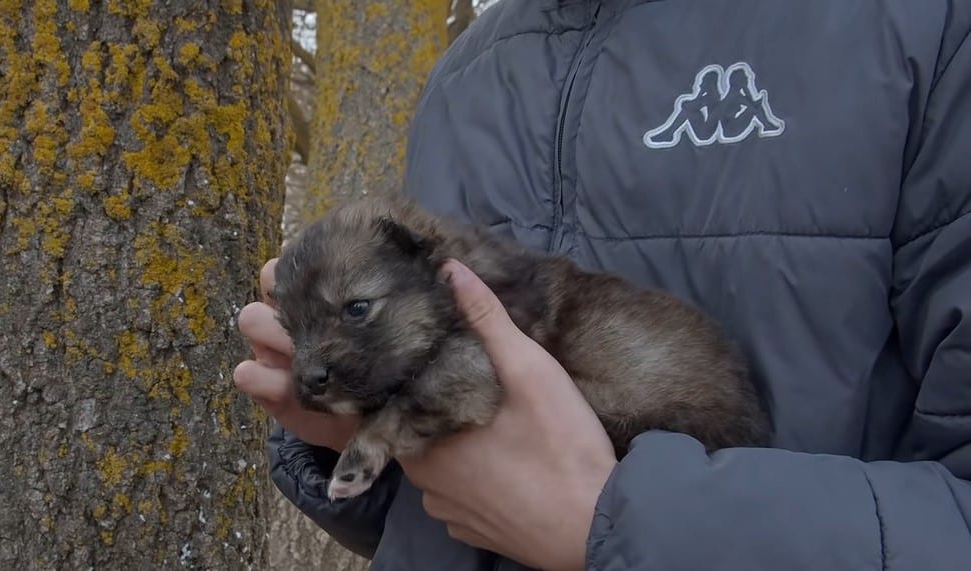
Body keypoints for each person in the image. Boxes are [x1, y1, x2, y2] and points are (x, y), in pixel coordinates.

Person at [234, 0, 971, 569]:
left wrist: (618, 522)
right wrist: (357, 440)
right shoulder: (463, 77)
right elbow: (450, 510)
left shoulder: (919, 27)